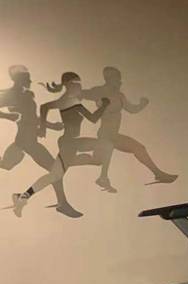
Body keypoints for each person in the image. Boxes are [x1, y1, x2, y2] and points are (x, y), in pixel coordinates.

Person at [11, 72, 110, 218]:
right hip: (70, 143)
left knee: (54, 175)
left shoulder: (70, 100)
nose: (80, 86)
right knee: (105, 147)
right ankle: (96, 174)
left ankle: (22, 197)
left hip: (71, 142)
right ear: (69, 85)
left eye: (79, 83)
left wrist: (43, 127)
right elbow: (93, 118)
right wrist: (104, 105)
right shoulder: (69, 101)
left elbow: (45, 107)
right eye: (77, 84)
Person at [82, 66, 177, 192]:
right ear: (109, 79)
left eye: (119, 78)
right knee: (104, 152)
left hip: (113, 134)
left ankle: (158, 174)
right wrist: (65, 88)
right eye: (117, 78)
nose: (120, 82)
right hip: (105, 134)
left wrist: (142, 104)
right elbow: (82, 93)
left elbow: (132, 109)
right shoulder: (100, 91)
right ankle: (102, 176)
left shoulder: (120, 96)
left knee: (138, 148)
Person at [0, 65, 70, 211]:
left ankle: (21, 198)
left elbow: (33, 117)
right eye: (27, 78)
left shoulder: (27, 95)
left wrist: (51, 125)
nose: (30, 81)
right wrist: (8, 116)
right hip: (27, 141)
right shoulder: (10, 95)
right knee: (56, 171)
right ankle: (61, 203)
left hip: (25, 141)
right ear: (19, 79)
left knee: (6, 165)